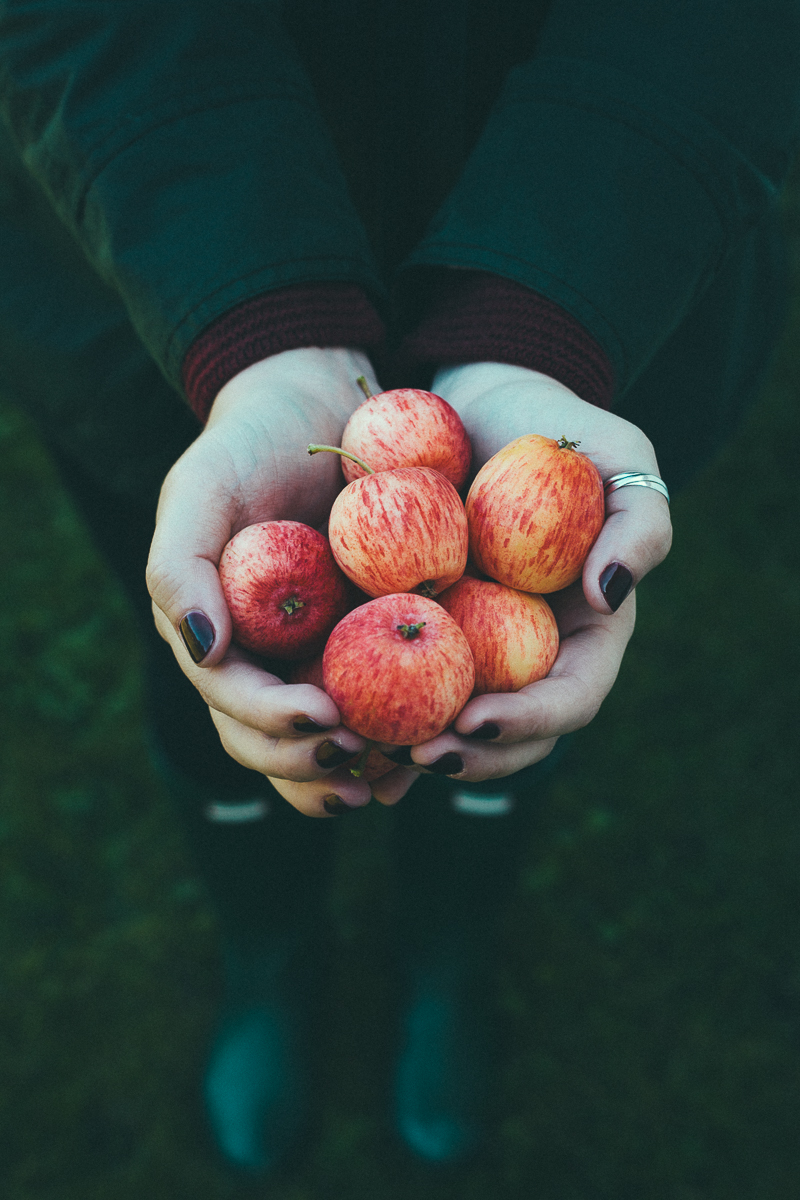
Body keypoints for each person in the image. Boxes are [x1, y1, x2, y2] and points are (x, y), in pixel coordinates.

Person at [1, 0, 797, 1178]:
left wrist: (545, 316)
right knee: (212, 656)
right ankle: (270, 950)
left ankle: (447, 944)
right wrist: (257, 324)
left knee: (508, 699)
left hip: (592, 278)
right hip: (176, 278)